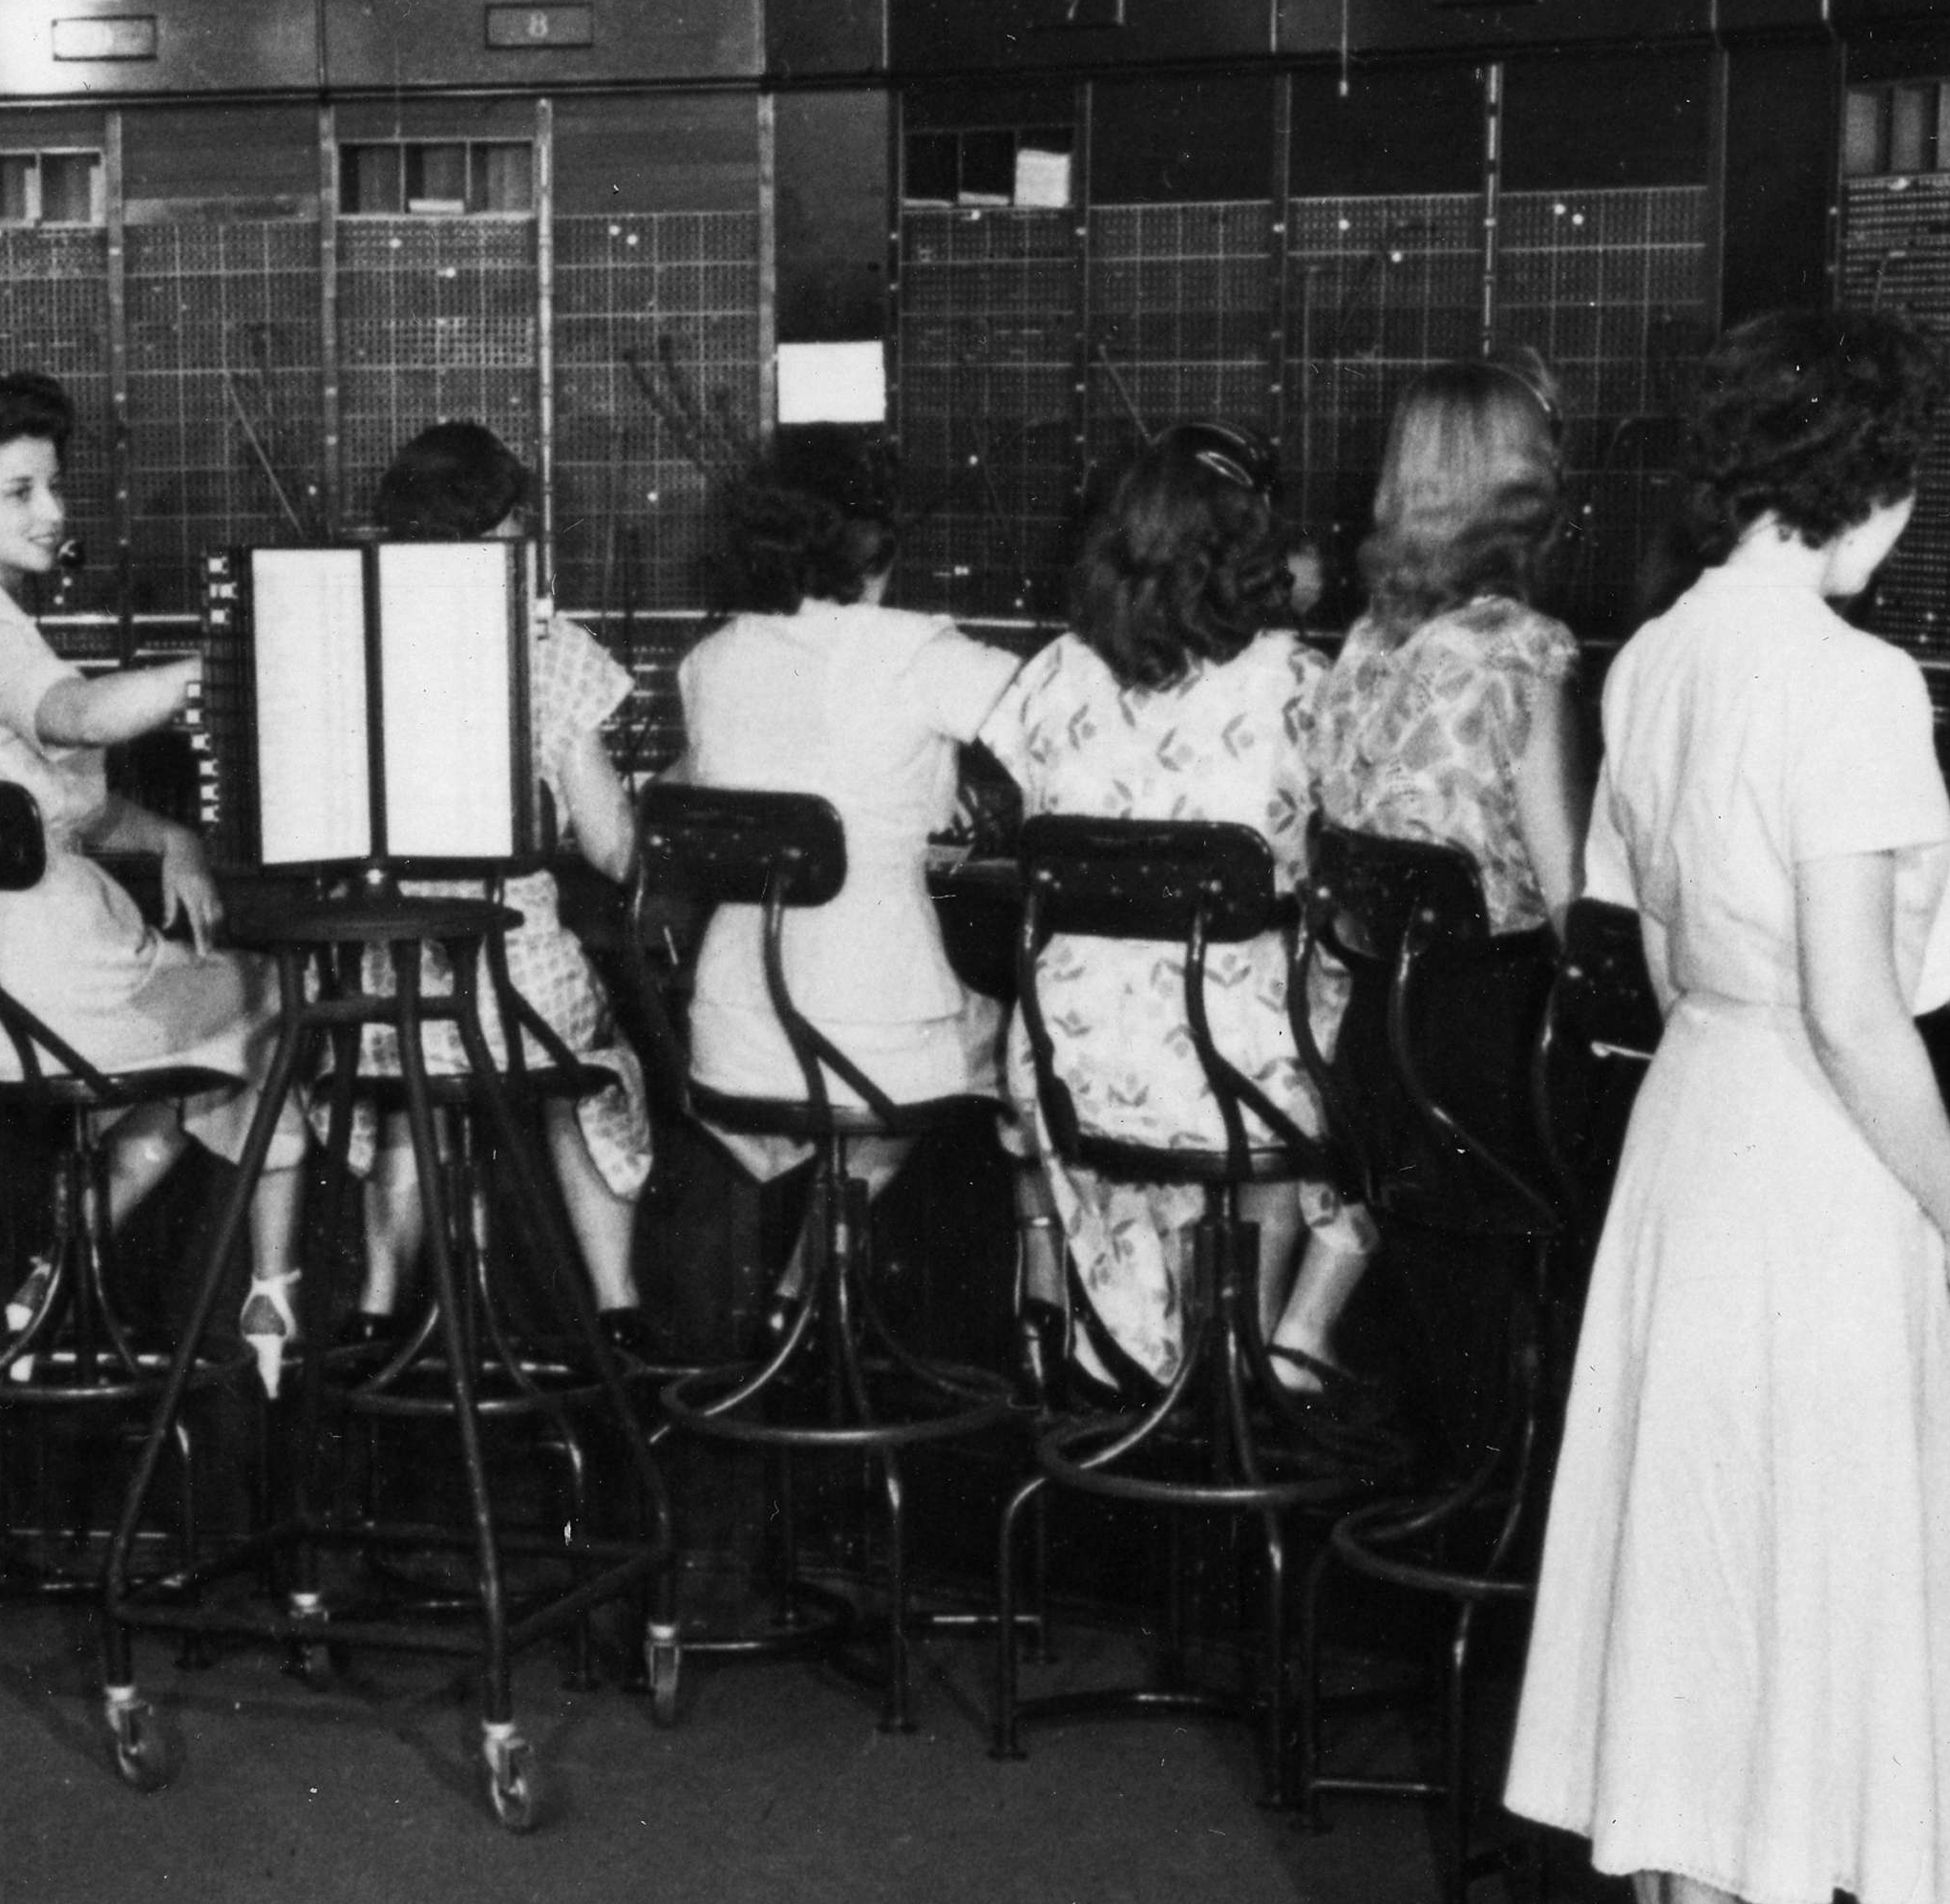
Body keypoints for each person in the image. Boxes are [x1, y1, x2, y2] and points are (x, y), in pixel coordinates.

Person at [1503, 307, 1950, 1904]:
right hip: (1810, 1163)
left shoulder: (1651, 657)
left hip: (1690, 1133)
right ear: (1874, 485)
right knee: (1766, 1605)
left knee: (1684, 1592)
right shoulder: (1850, 682)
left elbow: (1652, 954)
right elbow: (1859, 1011)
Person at [0, 372, 311, 1380]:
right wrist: (223, 662)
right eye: (19, 492)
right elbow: (74, 718)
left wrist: (169, 839)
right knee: (279, 1002)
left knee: (191, 1064)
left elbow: (55, 802)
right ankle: (270, 1296)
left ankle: (52, 1272)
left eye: (52, 488)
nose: (53, 512)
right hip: (49, 986)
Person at [984, 425, 1366, 1393]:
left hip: (1069, 1076)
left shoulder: (1052, 676)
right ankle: (1267, 1357)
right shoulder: (1296, 684)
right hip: (1226, 1081)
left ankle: (1148, 1361)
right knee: (1352, 1055)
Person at [351, 416, 646, 1323]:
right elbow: (614, 850)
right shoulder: (554, 654)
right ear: (502, 531)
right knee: (596, 1065)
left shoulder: (349, 645)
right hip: (521, 996)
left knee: (412, 1101)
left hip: (387, 995)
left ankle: (375, 1300)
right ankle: (615, 1305)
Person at [667, 428, 1020, 1184]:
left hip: (733, 1030)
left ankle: (809, 1283)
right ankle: (1044, 1294)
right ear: (877, 545)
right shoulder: (914, 649)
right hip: (877, 1024)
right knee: (1035, 1046)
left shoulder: (710, 661)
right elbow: (1063, 727)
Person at [1299, 359, 1587, 1192]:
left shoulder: (1362, 643)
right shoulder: (1526, 650)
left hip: (1372, 1044)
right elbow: (1567, 892)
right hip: (1491, 1056)